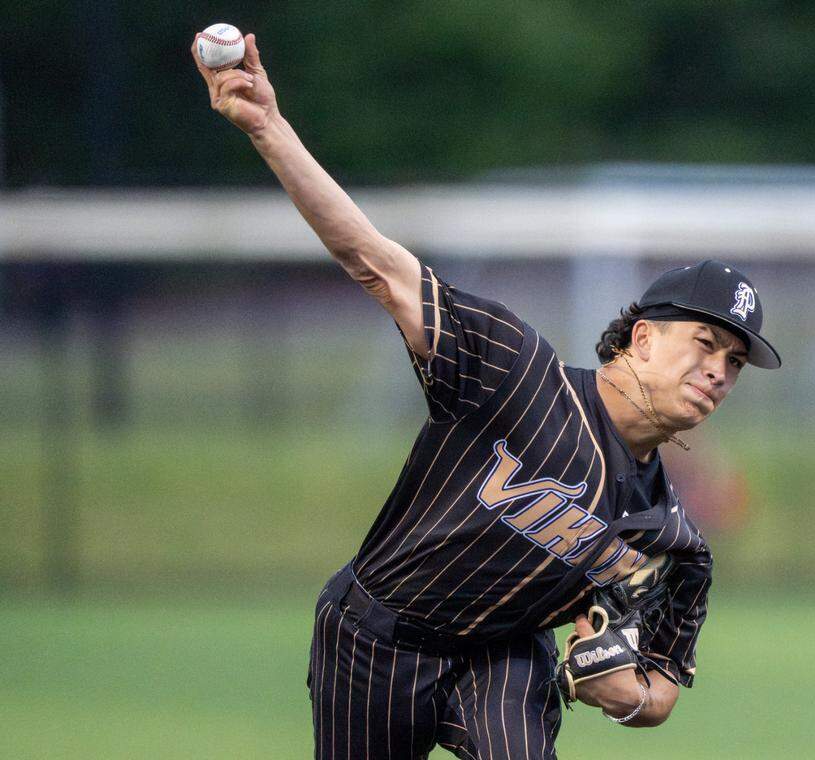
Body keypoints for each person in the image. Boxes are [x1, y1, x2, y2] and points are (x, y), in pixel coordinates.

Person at [192, 32, 781, 760]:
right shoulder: (514, 370)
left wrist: (623, 695)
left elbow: (659, 688)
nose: (721, 370)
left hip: (503, 658)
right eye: (705, 343)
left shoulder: (672, 542)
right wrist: (268, 127)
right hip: (375, 635)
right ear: (643, 339)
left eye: (734, 361)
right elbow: (378, 265)